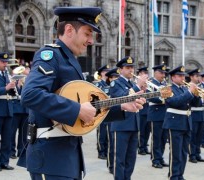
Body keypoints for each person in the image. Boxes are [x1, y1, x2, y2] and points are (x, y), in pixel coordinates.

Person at [19, 7, 145, 180]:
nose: (91, 40)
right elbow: (30, 94)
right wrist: (77, 109)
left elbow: (88, 109)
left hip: (67, 156)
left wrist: (122, 106)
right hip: (50, 156)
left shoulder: (70, 59)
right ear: (69, 30)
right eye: (87, 34)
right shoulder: (50, 55)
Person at [110, 56, 147, 180]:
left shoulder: (131, 83)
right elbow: (122, 97)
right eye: (127, 68)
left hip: (134, 124)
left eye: (132, 67)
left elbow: (138, 101)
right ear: (120, 70)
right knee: (119, 159)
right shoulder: (116, 83)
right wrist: (137, 86)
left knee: (131, 158)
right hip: (121, 124)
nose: (131, 70)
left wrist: (143, 92)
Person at [163, 65, 196, 180]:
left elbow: (195, 104)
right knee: (176, 153)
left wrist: (195, 94)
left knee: (183, 152)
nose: (183, 78)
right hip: (174, 123)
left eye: (183, 76)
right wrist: (189, 93)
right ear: (173, 77)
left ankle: (180, 175)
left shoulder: (184, 89)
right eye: (180, 75)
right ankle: (173, 175)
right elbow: (174, 102)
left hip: (186, 122)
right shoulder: (167, 88)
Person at [147, 64, 169, 168]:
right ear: (155, 73)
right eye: (161, 73)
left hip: (165, 113)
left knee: (164, 138)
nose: (163, 75)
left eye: (164, 73)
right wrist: (164, 99)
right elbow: (149, 97)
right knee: (156, 138)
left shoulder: (165, 83)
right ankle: (155, 159)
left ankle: (160, 157)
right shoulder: (150, 83)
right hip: (155, 113)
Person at [187, 68, 204, 163]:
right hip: (193, 113)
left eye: (199, 76)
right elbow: (192, 102)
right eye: (196, 76)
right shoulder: (189, 87)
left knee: (200, 135)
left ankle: (198, 153)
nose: (198, 78)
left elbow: (202, 102)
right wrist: (196, 95)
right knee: (193, 135)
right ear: (191, 77)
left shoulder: (200, 87)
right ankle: (192, 154)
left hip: (201, 113)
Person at [10, 65, 30, 159]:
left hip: (25, 110)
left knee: (24, 133)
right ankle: (11, 151)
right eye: (26, 69)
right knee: (12, 132)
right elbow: (12, 93)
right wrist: (17, 84)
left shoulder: (28, 81)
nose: (27, 70)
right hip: (15, 109)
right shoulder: (12, 80)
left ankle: (22, 151)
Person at [104, 68, 120, 174]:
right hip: (110, 116)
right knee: (111, 142)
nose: (116, 79)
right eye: (114, 77)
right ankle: (110, 164)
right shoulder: (107, 89)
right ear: (110, 78)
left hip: (119, 115)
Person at [95, 64, 110, 160]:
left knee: (108, 132)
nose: (106, 73)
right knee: (102, 132)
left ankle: (106, 150)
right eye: (105, 72)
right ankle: (101, 151)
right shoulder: (98, 84)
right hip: (101, 111)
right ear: (101, 73)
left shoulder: (110, 84)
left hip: (109, 111)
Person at [137, 66, 151, 156]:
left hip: (148, 110)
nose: (145, 75)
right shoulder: (137, 84)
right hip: (141, 111)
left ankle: (145, 146)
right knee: (141, 130)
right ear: (139, 74)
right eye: (143, 73)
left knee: (147, 131)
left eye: (146, 73)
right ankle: (141, 147)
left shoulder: (148, 84)